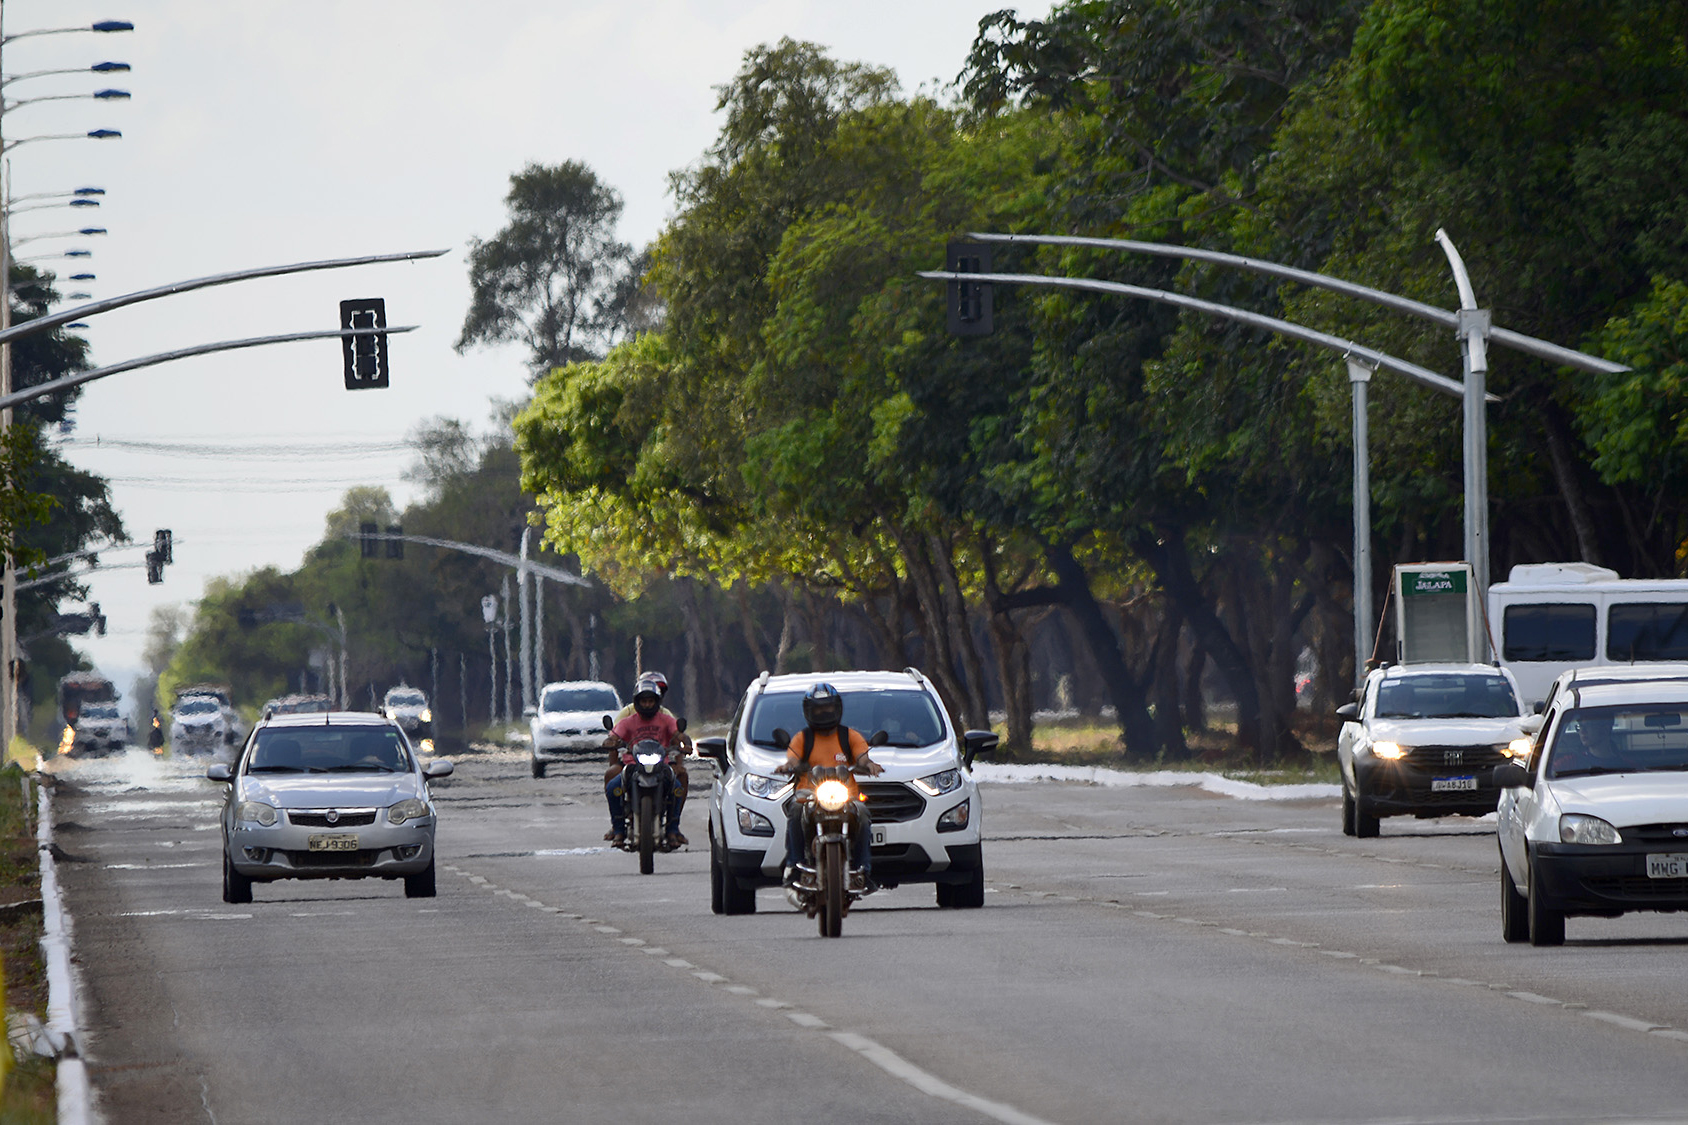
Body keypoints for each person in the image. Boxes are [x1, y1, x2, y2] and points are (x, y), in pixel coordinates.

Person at [775, 681, 882, 891]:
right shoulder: (802, 738)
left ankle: (864, 869)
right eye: (818, 708)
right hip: (809, 793)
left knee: (863, 813)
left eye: (828, 707)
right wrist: (788, 766)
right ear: (809, 711)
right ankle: (794, 865)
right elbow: (793, 759)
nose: (824, 712)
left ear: (837, 708)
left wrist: (869, 765)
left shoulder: (849, 736)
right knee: (795, 810)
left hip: (846, 795)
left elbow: (862, 757)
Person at [602, 678, 683, 850]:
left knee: (677, 788)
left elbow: (678, 734)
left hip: (661, 766)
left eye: (650, 701)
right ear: (637, 702)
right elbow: (615, 736)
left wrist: (686, 742)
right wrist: (611, 741)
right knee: (612, 788)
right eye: (644, 701)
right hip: (633, 766)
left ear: (657, 702)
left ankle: (672, 830)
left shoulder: (665, 719)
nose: (647, 705)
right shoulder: (628, 721)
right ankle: (618, 830)